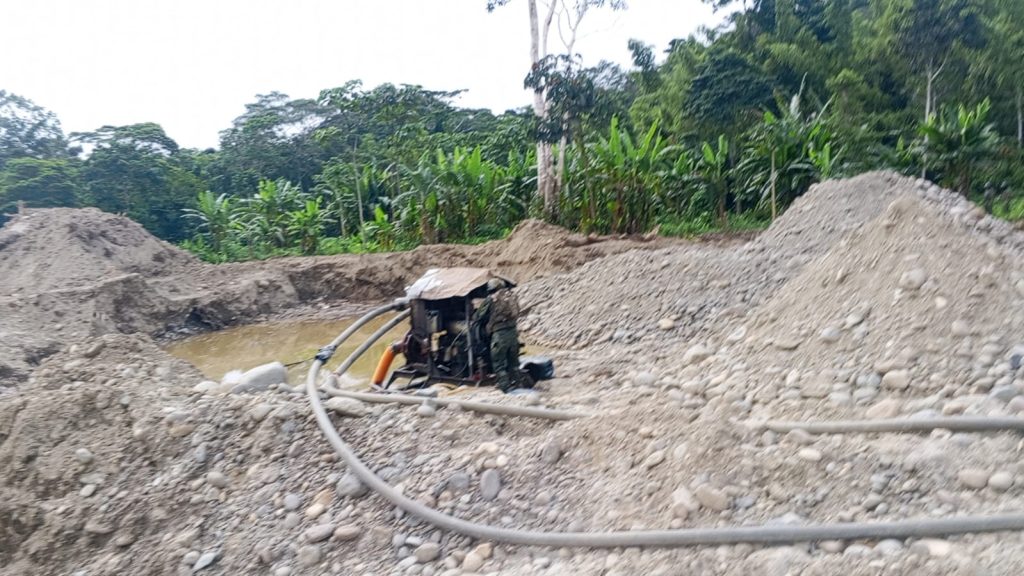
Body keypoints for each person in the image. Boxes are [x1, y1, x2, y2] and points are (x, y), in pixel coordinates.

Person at [472, 278, 521, 392]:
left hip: (499, 336)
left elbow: (478, 316)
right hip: (513, 334)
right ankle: (518, 384)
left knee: (499, 364)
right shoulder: (511, 296)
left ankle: (505, 388)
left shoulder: (491, 298)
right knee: (513, 363)